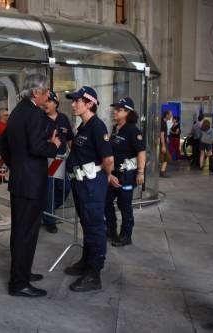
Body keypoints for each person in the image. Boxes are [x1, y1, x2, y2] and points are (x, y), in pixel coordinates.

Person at [0, 74, 60, 298]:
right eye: (46, 92)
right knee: (27, 233)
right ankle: (19, 283)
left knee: (20, 231)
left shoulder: (18, 111)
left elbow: (1, 143)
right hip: (31, 183)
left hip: (20, 180)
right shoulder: (33, 113)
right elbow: (36, 147)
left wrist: (16, 164)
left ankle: (22, 273)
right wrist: (53, 146)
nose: (48, 96)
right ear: (36, 93)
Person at [64, 86, 114, 292]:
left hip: (92, 184)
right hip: (81, 183)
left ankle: (94, 274)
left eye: (78, 101)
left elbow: (108, 159)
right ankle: (86, 262)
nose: (73, 104)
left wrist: (107, 176)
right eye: (73, 100)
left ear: (90, 103)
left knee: (94, 227)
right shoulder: (83, 127)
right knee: (87, 225)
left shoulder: (97, 126)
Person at [104, 97, 146, 247]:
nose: (115, 111)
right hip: (113, 173)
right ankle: (111, 231)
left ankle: (126, 235)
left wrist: (140, 172)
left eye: (119, 109)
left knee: (124, 205)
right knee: (106, 202)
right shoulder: (116, 129)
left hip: (127, 175)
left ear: (128, 112)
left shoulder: (133, 130)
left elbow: (141, 152)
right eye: (115, 109)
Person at [42, 91, 73, 234]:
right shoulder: (40, 119)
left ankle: (48, 210)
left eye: (49, 101)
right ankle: (50, 220)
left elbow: (70, 139)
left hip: (61, 160)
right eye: (45, 101)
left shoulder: (64, 119)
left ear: (55, 103)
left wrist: (74, 156)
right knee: (49, 190)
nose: (46, 104)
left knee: (65, 188)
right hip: (47, 160)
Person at [159, 111, 172, 177]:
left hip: (163, 142)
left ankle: (162, 171)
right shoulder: (163, 123)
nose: (171, 116)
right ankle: (162, 172)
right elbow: (161, 134)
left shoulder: (163, 122)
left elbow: (163, 133)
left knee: (165, 157)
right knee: (167, 157)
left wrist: (166, 138)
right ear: (167, 115)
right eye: (170, 115)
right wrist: (163, 145)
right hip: (162, 143)